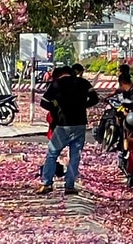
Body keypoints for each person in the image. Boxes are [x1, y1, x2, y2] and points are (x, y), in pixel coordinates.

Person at [39, 64, 99, 195]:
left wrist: (57, 108)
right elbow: (95, 99)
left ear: (60, 74)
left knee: (52, 154)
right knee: (75, 156)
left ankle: (47, 183)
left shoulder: (56, 84)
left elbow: (44, 102)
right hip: (80, 124)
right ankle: (69, 186)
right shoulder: (83, 83)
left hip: (63, 125)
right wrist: (82, 105)